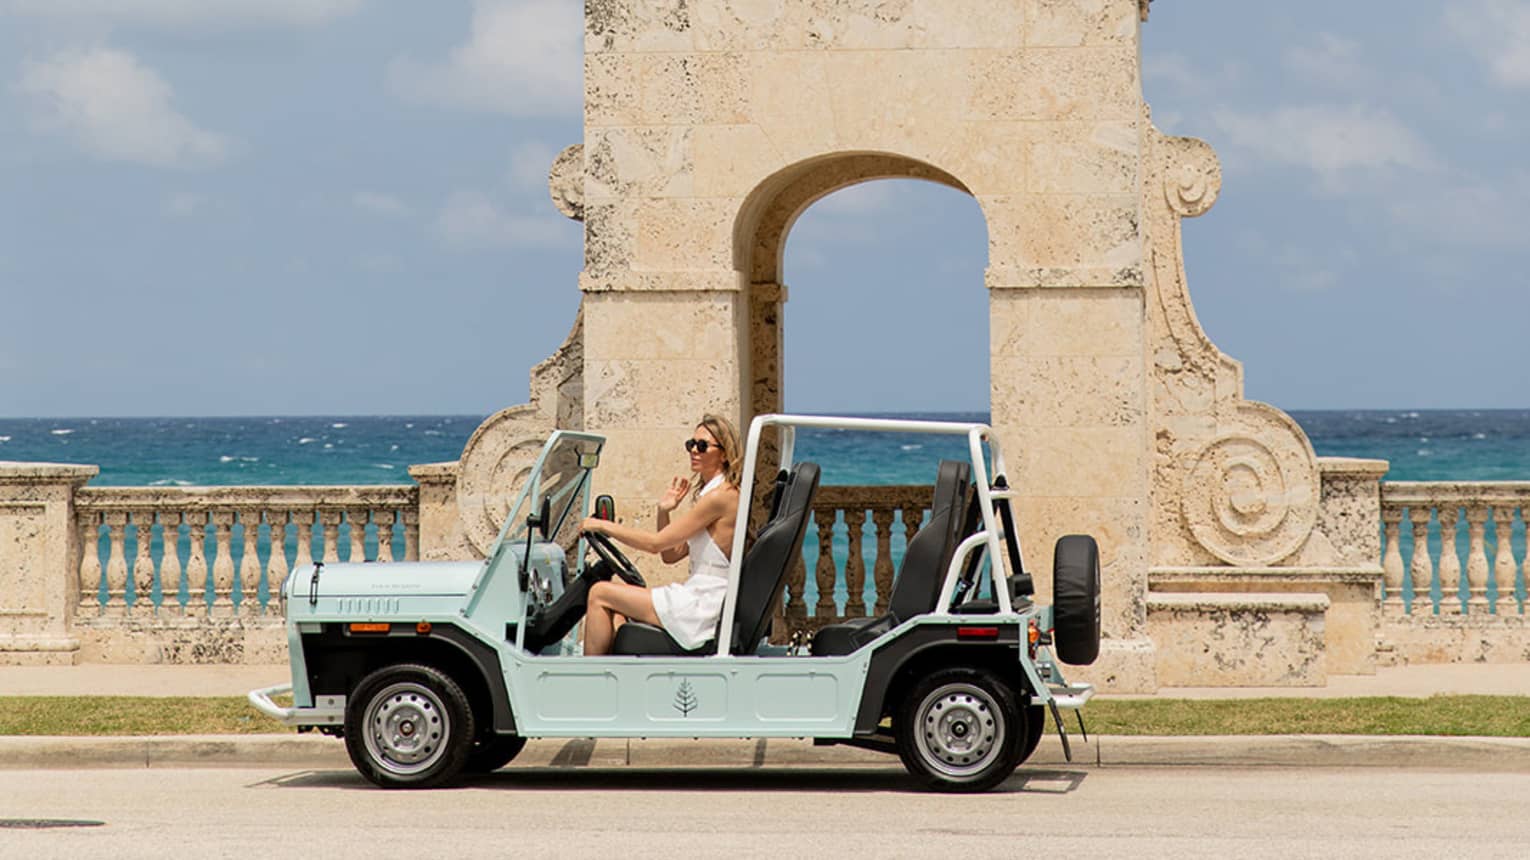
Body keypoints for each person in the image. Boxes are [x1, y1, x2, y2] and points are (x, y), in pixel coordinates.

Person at [578, 414, 743, 655]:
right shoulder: (714, 494)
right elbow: (671, 555)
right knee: (616, 613)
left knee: (599, 593)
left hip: (704, 604)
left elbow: (655, 545)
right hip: (699, 596)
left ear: (725, 453)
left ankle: (587, 682)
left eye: (702, 446)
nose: (694, 451)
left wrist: (602, 526)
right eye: (691, 444)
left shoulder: (720, 497)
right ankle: (611, 685)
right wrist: (663, 511)